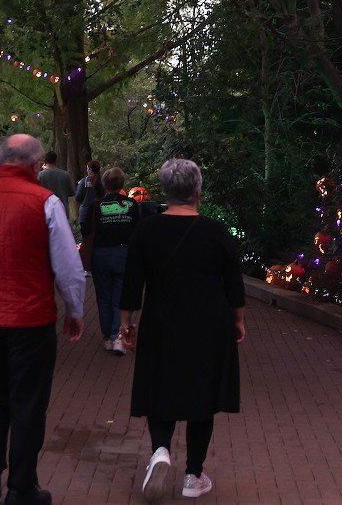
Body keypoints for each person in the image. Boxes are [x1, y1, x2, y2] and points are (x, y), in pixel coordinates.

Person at [0, 134, 86, 505]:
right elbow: (68, 267)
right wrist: (74, 311)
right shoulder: (46, 202)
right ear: (34, 164)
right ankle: (22, 485)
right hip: (31, 316)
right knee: (28, 401)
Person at [119, 159, 245, 502]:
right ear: (197, 190)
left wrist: (126, 322)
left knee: (160, 385)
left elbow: (133, 281)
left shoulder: (146, 231)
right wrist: (238, 319)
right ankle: (193, 474)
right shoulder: (216, 232)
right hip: (209, 322)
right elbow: (233, 281)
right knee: (202, 395)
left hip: (161, 319)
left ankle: (160, 449)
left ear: (165, 190)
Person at [91, 167, 141, 355]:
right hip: (124, 253)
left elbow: (89, 229)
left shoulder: (97, 204)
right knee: (120, 296)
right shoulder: (132, 204)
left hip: (101, 254)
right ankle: (118, 335)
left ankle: (108, 336)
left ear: (104, 184)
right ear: (122, 184)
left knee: (103, 296)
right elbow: (138, 230)